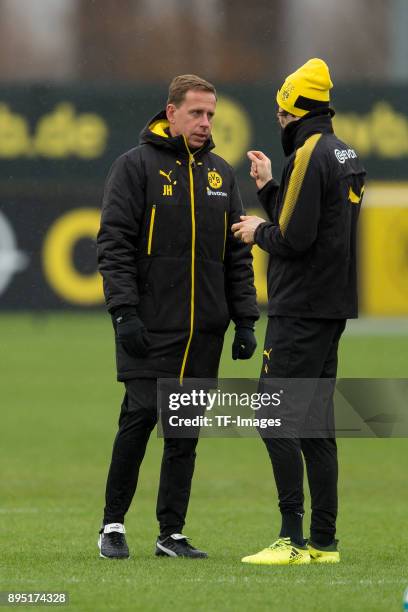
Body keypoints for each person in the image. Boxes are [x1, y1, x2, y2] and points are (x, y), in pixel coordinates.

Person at [96, 74, 259, 559]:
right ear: (171, 113)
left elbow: (237, 257)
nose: (205, 122)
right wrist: (124, 312)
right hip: (149, 326)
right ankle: (112, 525)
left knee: (184, 433)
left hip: (203, 331)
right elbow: (114, 245)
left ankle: (171, 533)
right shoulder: (134, 168)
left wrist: (245, 320)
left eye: (211, 114)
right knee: (139, 418)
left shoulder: (221, 176)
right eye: (196, 113)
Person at [232, 58, 365, 565]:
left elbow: (291, 237)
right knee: (315, 424)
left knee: (274, 417)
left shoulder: (309, 155)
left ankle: (291, 538)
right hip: (330, 307)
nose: (280, 124)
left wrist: (253, 230)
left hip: (299, 309)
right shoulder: (343, 151)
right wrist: (270, 188)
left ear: (295, 110)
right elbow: (313, 222)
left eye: (282, 115)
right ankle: (324, 542)